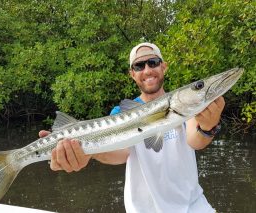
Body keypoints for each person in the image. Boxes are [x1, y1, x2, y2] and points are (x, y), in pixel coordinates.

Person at [39, 42, 225, 213]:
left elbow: (195, 140)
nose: (147, 70)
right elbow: (120, 152)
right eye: (139, 66)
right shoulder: (120, 112)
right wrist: (90, 152)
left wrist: (209, 126)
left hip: (195, 208)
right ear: (132, 74)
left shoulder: (184, 106)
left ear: (163, 66)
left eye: (153, 62)